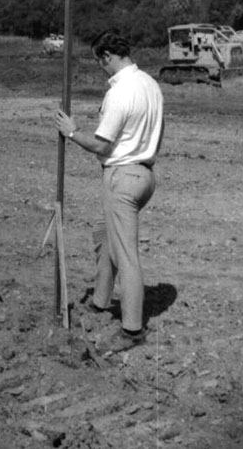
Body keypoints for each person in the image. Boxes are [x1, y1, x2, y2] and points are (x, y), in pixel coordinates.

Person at [54, 30, 164, 353]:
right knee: (107, 236)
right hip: (145, 176)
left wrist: (71, 131)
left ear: (107, 56)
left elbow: (101, 143)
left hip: (122, 178)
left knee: (126, 254)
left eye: (100, 62)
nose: (101, 69)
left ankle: (132, 329)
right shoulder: (151, 86)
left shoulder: (121, 92)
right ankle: (100, 301)